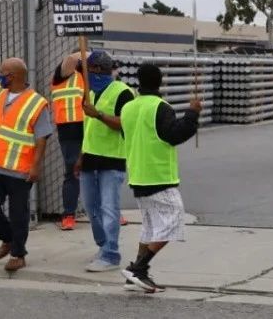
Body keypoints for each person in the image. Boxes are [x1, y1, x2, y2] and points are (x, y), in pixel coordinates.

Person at [119, 64, 200, 293]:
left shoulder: (127, 108)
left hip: (137, 174)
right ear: (161, 82)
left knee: (150, 226)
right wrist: (192, 114)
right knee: (173, 220)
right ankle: (139, 269)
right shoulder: (160, 107)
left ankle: (134, 278)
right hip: (158, 175)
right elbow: (174, 135)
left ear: (138, 81)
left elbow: (128, 135)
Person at [0, 58, 53, 272]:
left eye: (2, 72)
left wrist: (36, 167)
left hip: (20, 171)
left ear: (13, 76)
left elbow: (42, 138)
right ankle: (7, 239)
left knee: (18, 214)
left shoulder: (36, 103)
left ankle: (18, 254)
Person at [75, 51, 135, 272]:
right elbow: (88, 129)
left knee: (109, 208)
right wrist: (81, 157)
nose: (88, 76)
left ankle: (111, 254)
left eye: (90, 71)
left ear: (102, 71)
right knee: (92, 208)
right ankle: (103, 246)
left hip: (112, 159)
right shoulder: (88, 93)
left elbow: (124, 123)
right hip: (90, 158)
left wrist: (98, 114)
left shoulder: (123, 93)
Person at [49, 50, 86, 231]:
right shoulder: (61, 75)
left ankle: (108, 211)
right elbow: (71, 59)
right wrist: (86, 52)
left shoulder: (86, 76)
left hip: (90, 127)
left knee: (100, 170)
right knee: (72, 171)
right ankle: (69, 214)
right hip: (69, 128)